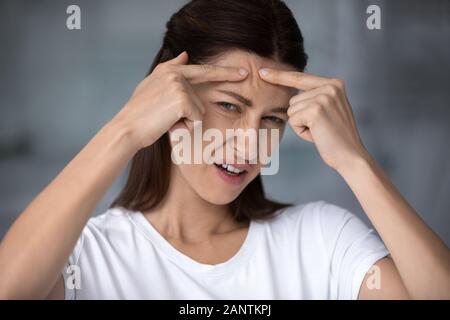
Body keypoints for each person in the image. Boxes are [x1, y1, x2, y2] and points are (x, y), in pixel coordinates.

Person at [0, 0, 449, 299]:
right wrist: (126, 128)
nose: (251, 142)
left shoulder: (322, 241)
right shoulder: (89, 257)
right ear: (166, 94)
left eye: (272, 119)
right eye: (229, 106)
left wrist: (356, 161)